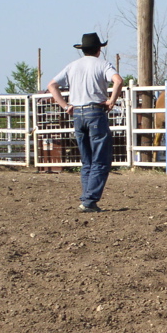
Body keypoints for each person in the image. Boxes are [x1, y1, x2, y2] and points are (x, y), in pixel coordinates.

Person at [48, 33, 123, 213]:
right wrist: (111, 101)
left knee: (87, 159)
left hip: (77, 113)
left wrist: (66, 106)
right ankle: (89, 200)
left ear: (82, 50)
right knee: (101, 159)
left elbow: (52, 85)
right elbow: (118, 81)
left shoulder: (72, 66)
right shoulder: (103, 64)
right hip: (95, 112)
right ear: (99, 49)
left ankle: (86, 197)